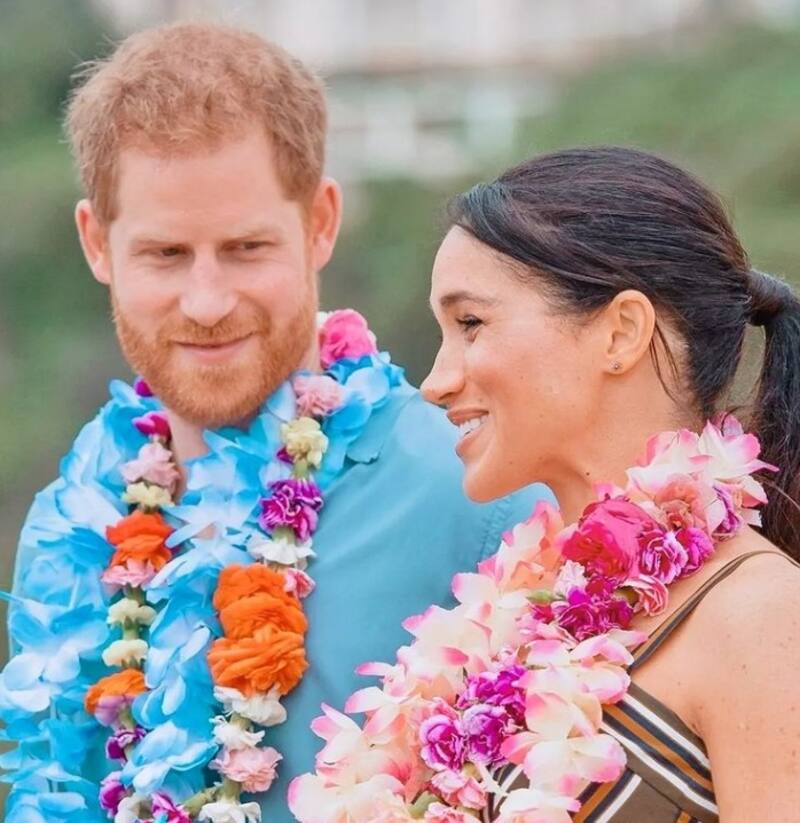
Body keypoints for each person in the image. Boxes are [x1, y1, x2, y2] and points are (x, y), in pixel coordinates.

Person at [0, 23, 548, 823]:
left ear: (321, 222)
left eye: (247, 246)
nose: (209, 301)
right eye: (165, 254)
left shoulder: (472, 490)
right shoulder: (68, 528)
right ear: (97, 243)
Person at [422, 146, 800, 821]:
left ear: (621, 332)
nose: (436, 380)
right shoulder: (521, 612)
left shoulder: (762, 617)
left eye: (471, 323)